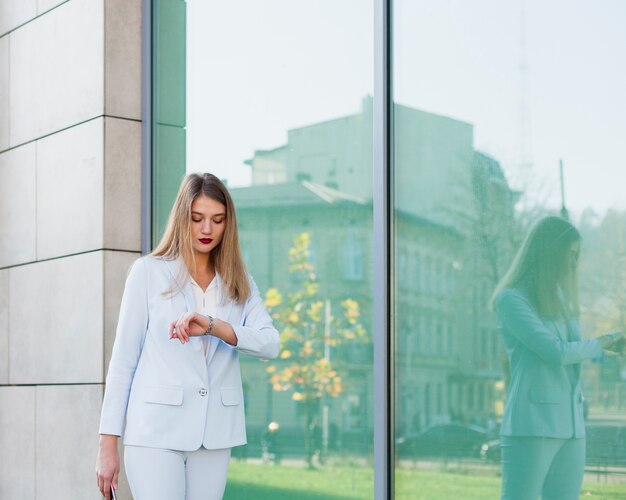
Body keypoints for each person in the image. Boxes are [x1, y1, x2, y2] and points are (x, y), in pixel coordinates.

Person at [95, 173, 280, 500]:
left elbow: (270, 343)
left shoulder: (240, 282)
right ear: (183, 219)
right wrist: (107, 444)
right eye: (197, 219)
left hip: (214, 436)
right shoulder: (148, 272)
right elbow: (123, 363)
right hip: (154, 433)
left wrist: (214, 326)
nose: (207, 229)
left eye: (217, 220)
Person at [492, 216, 623, 500]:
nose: (575, 263)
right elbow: (555, 352)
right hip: (532, 424)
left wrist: (612, 344)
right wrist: (602, 342)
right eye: (571, 254)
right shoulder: (511, 300)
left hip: (572, 426)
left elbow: (574, 349)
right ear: (550, 253)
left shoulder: (561, 301)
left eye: (578, 255)